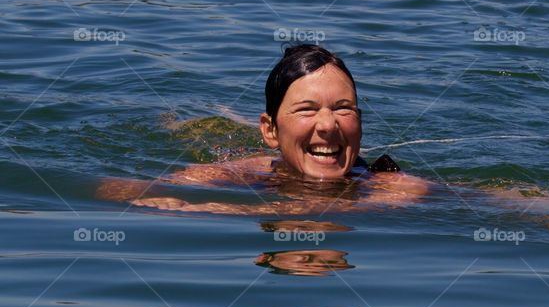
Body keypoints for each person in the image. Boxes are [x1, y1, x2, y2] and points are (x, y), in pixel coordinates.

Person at [97, 45, 429, 213]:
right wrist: (160, 201)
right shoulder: (245, 173)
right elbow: (114, 189)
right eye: (307, 110)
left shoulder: (391, 187)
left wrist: (222, 210)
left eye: (343, 109)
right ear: (270, 130)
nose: (328, 125)